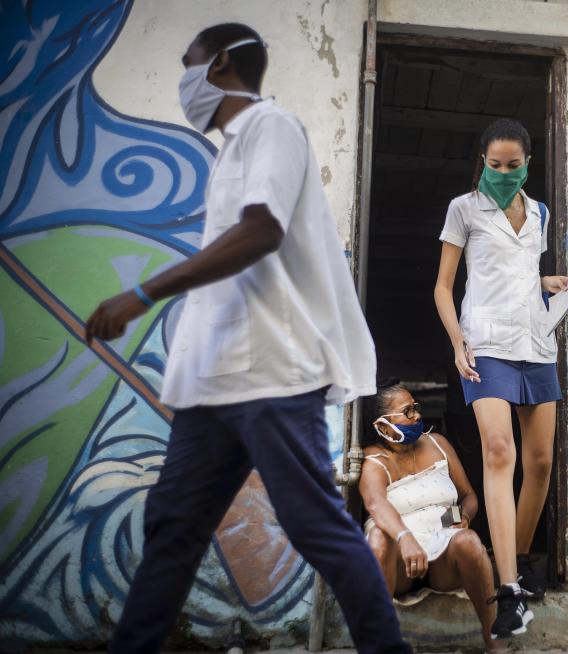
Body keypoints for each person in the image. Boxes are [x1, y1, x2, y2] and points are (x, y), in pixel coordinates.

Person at [84, 23, 409, 654]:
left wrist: (143, 293)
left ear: (222, 63)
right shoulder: (229, 151)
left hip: (272, 372)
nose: (184, 80)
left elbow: (261, 230)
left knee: (315, 527)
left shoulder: (272, 128)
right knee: (173, 528)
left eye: (189, 62)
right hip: (212, 383)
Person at [433, 118, 567, 639]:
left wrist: (545, 281)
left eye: (514, 166)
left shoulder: (540, 213)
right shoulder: (463, 209)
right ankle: (507, 589)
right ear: (482, 163)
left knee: (538, 463)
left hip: (534, 342)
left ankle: (521, 560)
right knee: (499, 453)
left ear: (528, 164)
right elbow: (444, 288)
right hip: (484, 346)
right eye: (496, 165)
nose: (505, 174)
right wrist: (457, 343)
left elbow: (511, 271)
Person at [359, 384, 504, 652]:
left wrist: (461, 518)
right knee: (379, 535)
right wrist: (405, 538)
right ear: (383, 426)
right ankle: (379, 643)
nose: (416, 416)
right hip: (398, 562)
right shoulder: (373, 459)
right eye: (407, 411)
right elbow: (374, 503)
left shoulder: (438, 444)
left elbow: (468, 496)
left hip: (441, 554)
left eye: (416, 407)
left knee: (470, 541)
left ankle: (492, 638)